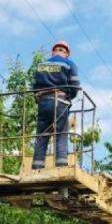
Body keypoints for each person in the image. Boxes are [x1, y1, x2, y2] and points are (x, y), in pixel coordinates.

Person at [31, 40, 80, 170]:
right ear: (67, 53)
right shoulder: (69, 64)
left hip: (43, 102)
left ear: (53, 52)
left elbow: (34, 87)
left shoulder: (41, 65)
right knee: (61, 133)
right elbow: (74, 86)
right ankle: (61, 166)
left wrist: (40, 99)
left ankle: (37, 166)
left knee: (42, 135)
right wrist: (70, 97)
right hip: (60, 101)